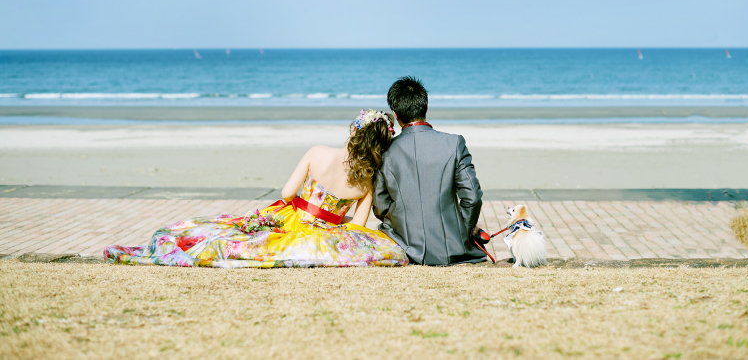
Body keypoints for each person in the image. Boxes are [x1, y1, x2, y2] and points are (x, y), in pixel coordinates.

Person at [104, 110, 408, 268]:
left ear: (354, 131)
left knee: (233, 233)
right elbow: (358, 227)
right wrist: (331, 220)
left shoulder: (317, 152)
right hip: (325, 233)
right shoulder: (367, 182)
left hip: (291, 219)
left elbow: (288, 194)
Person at [372, 76, 486, 265]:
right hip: (451, 248)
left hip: (403, 245)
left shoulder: (384, 152)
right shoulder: (454, 143)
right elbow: (472, 197)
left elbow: (381, 205)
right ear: (426, 107)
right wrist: (461, 232)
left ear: (395, 113)